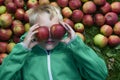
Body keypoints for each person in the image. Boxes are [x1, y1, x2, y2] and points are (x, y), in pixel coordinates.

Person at [0, 4, 108, 80]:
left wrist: (77, 45)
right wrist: (22, 49)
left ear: (62, 27)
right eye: (44, 29)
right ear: (32, 31)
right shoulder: (24, 57)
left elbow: (100, 74)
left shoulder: (71, 53)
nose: (50, 35)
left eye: (55, 28)